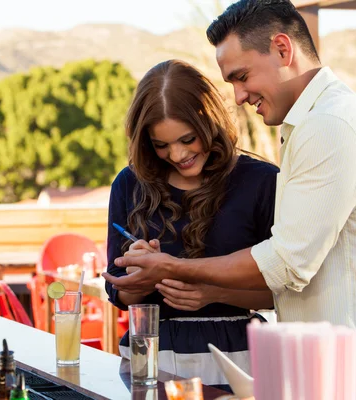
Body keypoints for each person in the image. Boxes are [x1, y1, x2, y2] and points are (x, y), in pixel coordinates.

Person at [103, 1, 356, 399]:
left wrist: (177, 268)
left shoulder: (329, 126)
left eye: (241, 76)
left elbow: (286, 262)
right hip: (324, 371)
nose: (237, 97)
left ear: (283, 50)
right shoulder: (314, 123)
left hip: (353, 377)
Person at [104, 59, 278, 390]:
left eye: (187, 139)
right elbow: (118, 293)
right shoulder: (129, 184)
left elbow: (280, 291)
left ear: (209, 123)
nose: (177, 154)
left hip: (238, 359)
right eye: (161, 145)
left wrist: (214, 292)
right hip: (150, 359)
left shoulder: (261, 182)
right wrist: (139, 279)